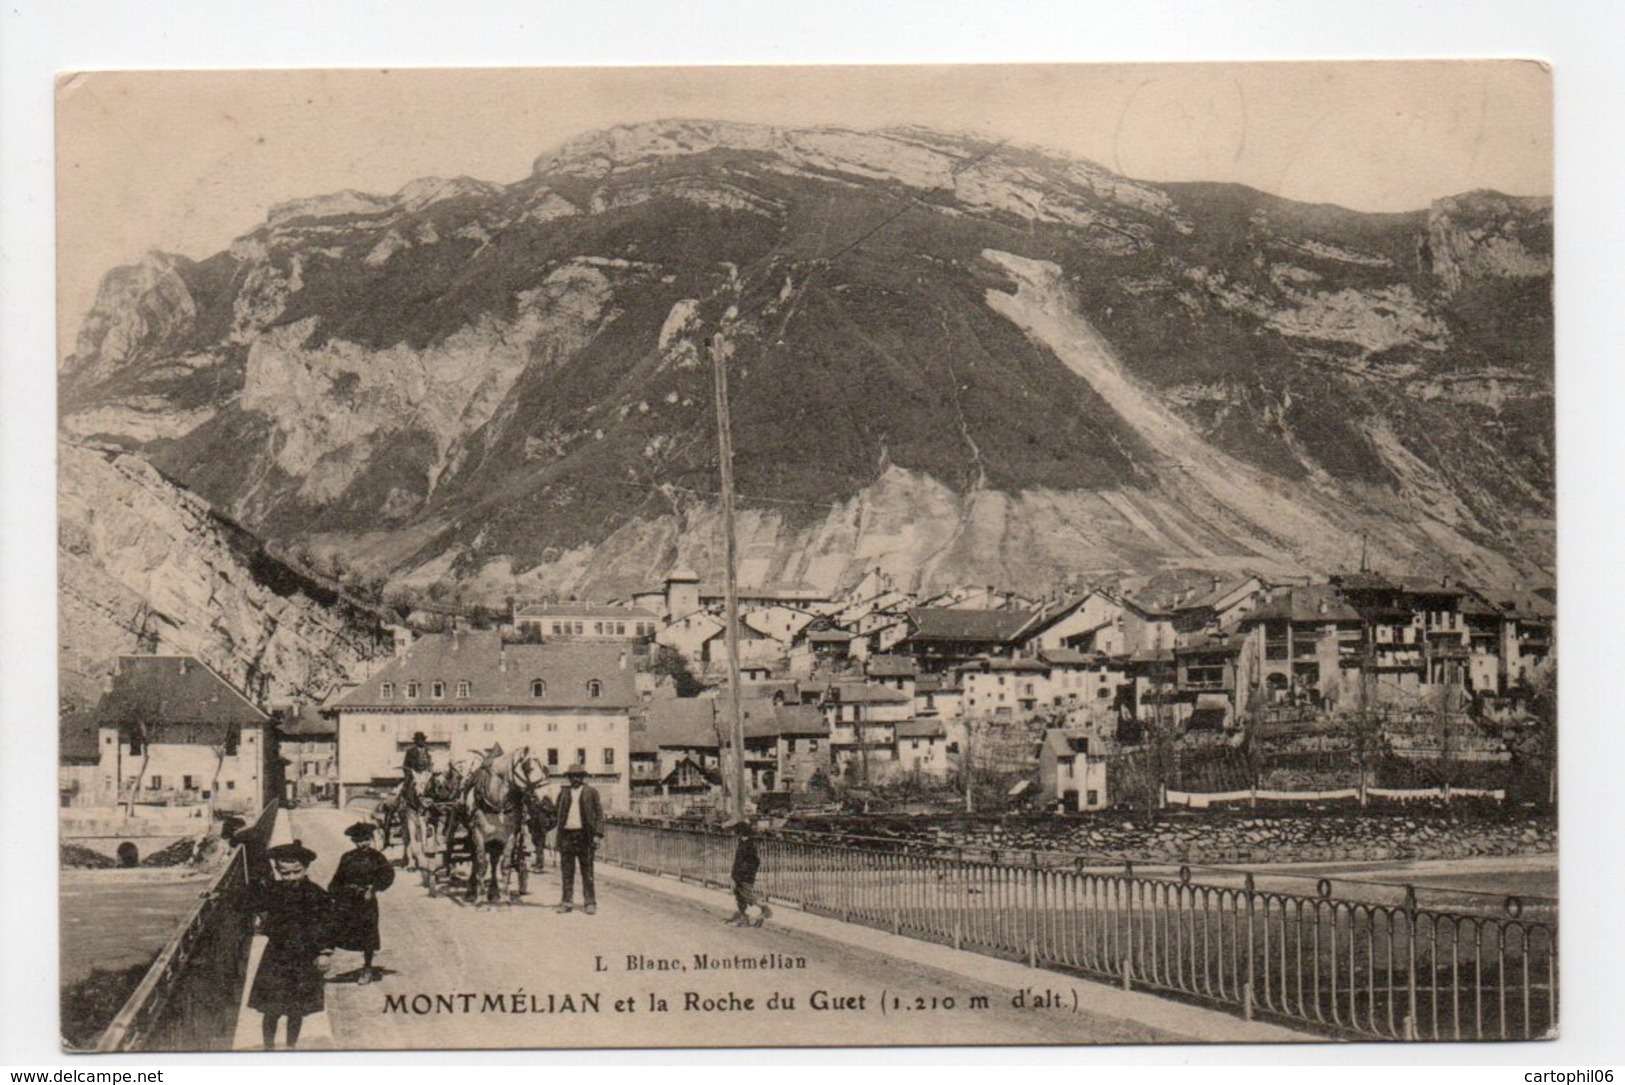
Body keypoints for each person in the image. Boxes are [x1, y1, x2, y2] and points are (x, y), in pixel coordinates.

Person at [247, 840, 333, 1050]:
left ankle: (291, 1047)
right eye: (285, 873)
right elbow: (247, 899)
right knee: (271, 1008)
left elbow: (327, 924)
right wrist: (217, 897)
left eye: (297, 872)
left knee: (296, 1008)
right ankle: (268, 1048)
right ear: (278, 871)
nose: (291, 878)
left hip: (304, 957)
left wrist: (325, 952)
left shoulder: (316, 894)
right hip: (276, 956)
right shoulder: (273, 890)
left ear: (305, 869)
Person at [328, 822, 396, 984]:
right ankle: (323, 963)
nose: (363, 844)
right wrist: (333, 893)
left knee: (368, 934)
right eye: (359, 841)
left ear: (370, 839)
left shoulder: (377, 857)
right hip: (347, 900)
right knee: (335, 929)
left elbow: (388, 875)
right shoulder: (347, 857)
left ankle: (367, 968)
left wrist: (374, 888)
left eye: (366, 839)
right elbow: (338, 879)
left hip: (367, 901)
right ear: (353, 841)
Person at [553, 763, 602, 914]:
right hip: (567, 836)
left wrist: (598, 835)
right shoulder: (563, 794)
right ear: (568, 778)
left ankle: (590, 902)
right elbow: (556, 814)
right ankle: (566, 902)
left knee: (587, 872)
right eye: (572, 776)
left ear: (583, 777)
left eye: (578, 776)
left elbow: (600, 815)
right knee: (567, 871)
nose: (575, 778)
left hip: (584, 837)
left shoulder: (591, 792)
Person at [725, 818, 773, 927]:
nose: (735, 833)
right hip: (739, 874)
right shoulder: (743, 843)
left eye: (736, 831)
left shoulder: (748, 845)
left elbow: (755, 861)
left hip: (744, 875)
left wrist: (746, 872)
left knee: (747, 895)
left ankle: (765, 909)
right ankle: (743, 917)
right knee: (739, 897)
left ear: (741, 832)